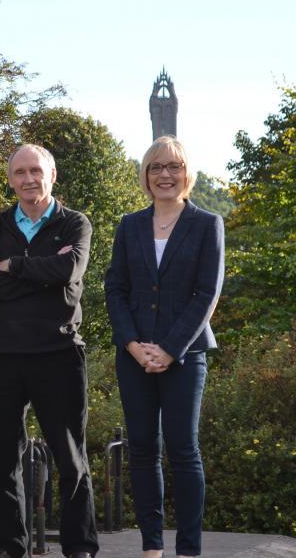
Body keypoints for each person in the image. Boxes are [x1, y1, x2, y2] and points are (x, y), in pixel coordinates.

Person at [0, 144, 99, 558]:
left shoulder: (75, 223)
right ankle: (10, 548)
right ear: (10, 180)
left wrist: (16, 265)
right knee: (3, 459)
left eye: (36, 171)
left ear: (52, 175)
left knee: (70, 458)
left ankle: (79, 548)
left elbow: (69, 271)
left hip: (58, 353)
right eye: (20, 172)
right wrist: (43, 272)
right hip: (0, 356)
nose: (29, 179)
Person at [104, 136, 224, 558]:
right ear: (146, 175)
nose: (165, 175)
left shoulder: (207, 224)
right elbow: (116, 289)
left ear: (185, 173)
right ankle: (151, 546)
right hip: (133, 355)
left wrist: (169, 350)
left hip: (185, 355)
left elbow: (206, 294)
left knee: (183, 448)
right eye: (156, 167)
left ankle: (188, 549)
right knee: (141, 448)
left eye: (173, 167)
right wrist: (135, 346)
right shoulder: (129, 224)